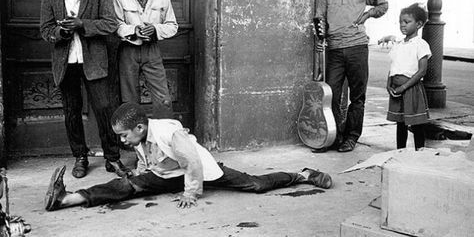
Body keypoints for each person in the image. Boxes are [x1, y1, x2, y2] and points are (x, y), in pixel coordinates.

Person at [44, 102, 333, 211]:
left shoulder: (170, 133)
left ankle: (302, 175)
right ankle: (67, 199)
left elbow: (193, 163)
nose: (122, 140)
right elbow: (149, 162)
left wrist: (192, 193)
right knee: (126, 187)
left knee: (254, 185)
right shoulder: (140, 138)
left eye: (124, 135)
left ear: (140, 127)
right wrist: (138, 173)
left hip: (199, 170)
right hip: (168, 175)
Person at [40, 0, 131, 179]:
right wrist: (61, 32)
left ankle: (113, 158)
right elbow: (45, 30)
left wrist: (82, 24)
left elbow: (110, 24)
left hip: (94, 61)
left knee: (104, 109)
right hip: (65, 62)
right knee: (71, 112)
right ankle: (80, 158)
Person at [316, 0, 388, 152]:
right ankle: (334, 137)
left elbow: (383, 4)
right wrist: (321, 36)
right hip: (335, 50)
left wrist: (369, 14)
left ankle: (351, 137)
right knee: (331, 94)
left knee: (357, 97)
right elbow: (320, 18)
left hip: (357, 47)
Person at [113, 0, 178, 116]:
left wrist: (155, 29)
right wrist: (134, 30)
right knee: (129, 99)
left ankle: (162, 139)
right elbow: (116, 25)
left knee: (163, 98)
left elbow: (172, 26)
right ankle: (133, 141)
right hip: (128, 51)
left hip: (152, 51)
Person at [386, 4, 431, 150]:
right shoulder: (398, 44)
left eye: (407, 22)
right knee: (400, 123)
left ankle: (420, 152)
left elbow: (422, 71)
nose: (402, 25)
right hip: (396, 89)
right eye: (401, 22)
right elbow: (393, 66)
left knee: (416, 123)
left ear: (418, 24)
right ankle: (401, 151)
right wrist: (389, 84)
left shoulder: (420, 44)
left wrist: (404, 87)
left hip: (411, 88)